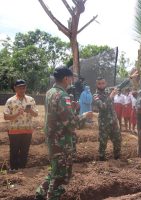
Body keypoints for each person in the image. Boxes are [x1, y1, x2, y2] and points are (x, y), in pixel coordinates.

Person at [35, 67, 92, 200]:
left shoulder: (50, 92)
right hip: (61, 141)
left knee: (55, 170)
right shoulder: (62, 95)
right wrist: (84, 116)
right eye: (71, 78)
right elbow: (70, 123)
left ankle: (40, 194)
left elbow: (57, 114)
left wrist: (71, 108)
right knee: (60, 177)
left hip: (53, 139)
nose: (72, 81)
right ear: (66, 78)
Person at [3, 79, 38, 171]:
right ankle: (14, 170)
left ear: (25, 88)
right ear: (15, 88)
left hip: (27, 130)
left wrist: (30, 110)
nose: (22, 89)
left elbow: (36, 114)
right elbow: (6, 116)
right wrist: (17, 114)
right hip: (14, 131)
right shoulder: (10, 101)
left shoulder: (31, 99)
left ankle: (22, 170)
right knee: (14, 151)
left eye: (23, 87)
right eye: (19, 88)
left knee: (25, 151)